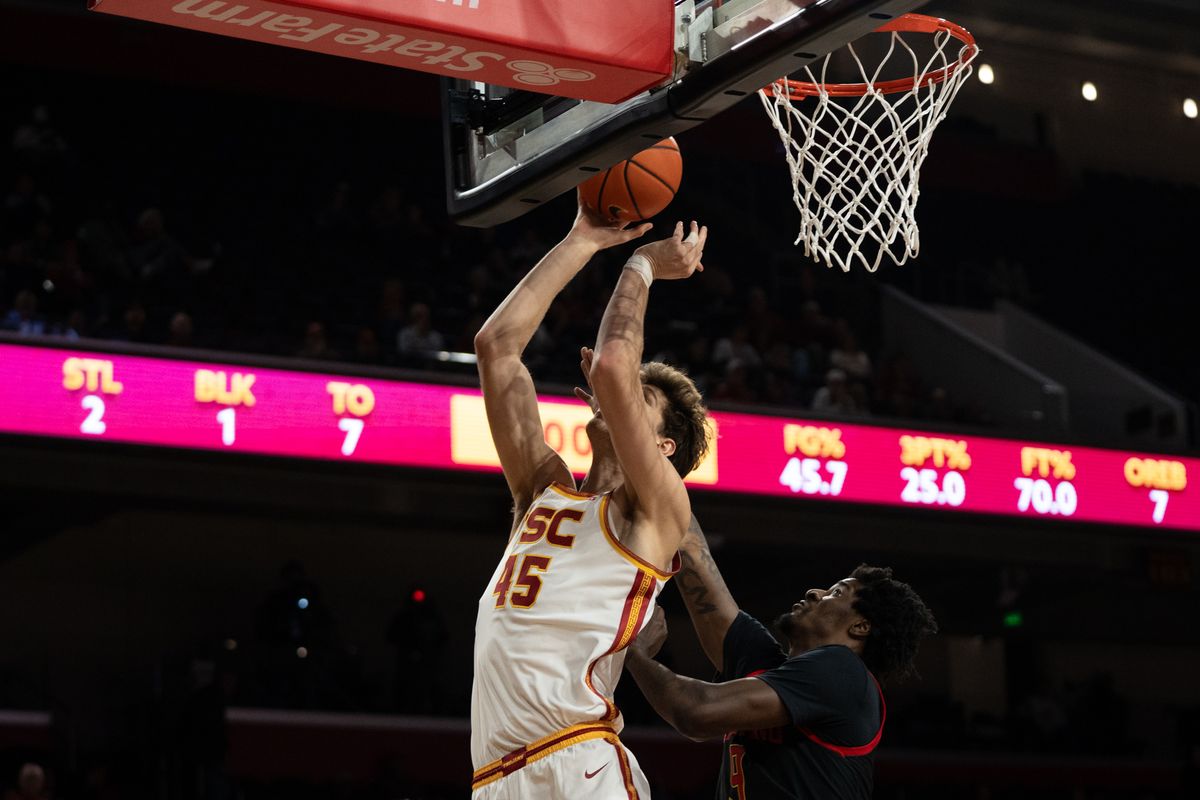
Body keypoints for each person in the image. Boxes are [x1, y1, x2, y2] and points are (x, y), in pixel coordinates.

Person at [470, 198, 709, 800]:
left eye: (637, 396)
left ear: (662, 444)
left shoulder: (658, 511)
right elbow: (496, 347)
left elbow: (610, 364)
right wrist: (582, 239)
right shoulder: (541, 492)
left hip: (578, 765)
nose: (616, 394)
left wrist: (644, 262)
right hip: (494, 778)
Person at [624, 518, 937, 799]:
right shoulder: (770, 667)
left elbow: (696, 712)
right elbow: (692, 552)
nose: (816, 592)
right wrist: (663, 474)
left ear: (860, 627)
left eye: (836, 593)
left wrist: (634, 650)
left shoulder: (844, 672)